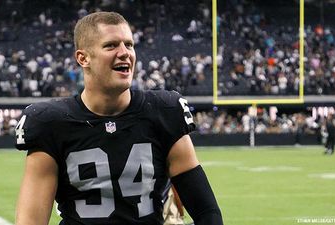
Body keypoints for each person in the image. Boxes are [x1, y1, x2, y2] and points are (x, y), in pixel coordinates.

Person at [14, 11, 223, 225]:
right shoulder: (51, 123)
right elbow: (31, 221)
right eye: (111, 45)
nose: (125, 53)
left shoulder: (163, 111)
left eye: (129, 45)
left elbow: (207, 212)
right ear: (83, 58)